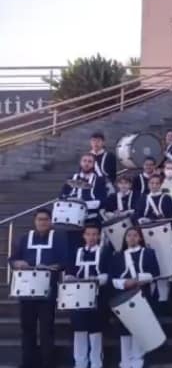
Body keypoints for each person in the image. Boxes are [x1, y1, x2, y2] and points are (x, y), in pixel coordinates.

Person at [9, 208, 67, 368]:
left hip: (47, 290)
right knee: (27, 328)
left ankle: (47, 363)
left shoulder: (59, 239)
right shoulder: (24, 238)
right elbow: (13, 259)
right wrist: (17, 263)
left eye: (46, 219)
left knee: (47, 329)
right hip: (26, 290)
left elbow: (64, 261)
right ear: (35, 221)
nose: (43, 222)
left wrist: (53, 267)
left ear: (51, 221)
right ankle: (28, 362)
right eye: (40, 219)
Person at [109, 226, 160, 368]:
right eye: (129, 235)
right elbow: (112, 278)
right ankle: (125, 361)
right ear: (125, 238)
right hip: (123, 295)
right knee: (124, 328)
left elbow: (155, 273)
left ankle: (137, 359)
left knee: (139, 326)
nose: (132, 238)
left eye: (135, 235)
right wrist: (124, 283)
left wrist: (137, 280)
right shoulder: (118, 256)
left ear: (140, 238)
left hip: (142, 294)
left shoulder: (148, 253)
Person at [66, 223, 109, 368]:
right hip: (78, 296)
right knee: (79, 329)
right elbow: (70, 271)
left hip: (97, 295)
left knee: (96, 330)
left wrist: (96, 279)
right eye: (89, 234)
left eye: (95, 234)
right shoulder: (76, 252)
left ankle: (96, 362)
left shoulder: (104, 252)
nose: (91, 237)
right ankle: (80, 362)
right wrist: (70, 278)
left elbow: (108, 273)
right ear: (84, 236)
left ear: (99, 236)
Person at [60, 153, 108, 226]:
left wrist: (84, 204)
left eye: (90, 161)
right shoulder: (71, 178)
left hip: (90, 216)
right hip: (70, 214)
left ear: (93, 164)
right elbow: (62, 195)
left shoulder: (99, 180)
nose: (86, 164)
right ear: (80, 162)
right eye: (84, 161)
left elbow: (103, 200)